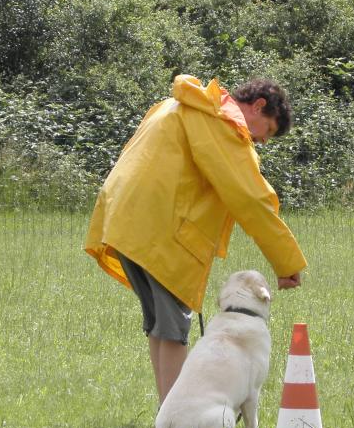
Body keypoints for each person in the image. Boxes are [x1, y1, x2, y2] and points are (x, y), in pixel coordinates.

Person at [85, 74, 308, 404]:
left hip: (125, 221)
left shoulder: (177, 105)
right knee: (174, 327)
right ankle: (178, 422)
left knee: (160, 325)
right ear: (258, 106)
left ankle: (167, 416)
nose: (261, 142)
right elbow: (249, 198)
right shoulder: (220, 124)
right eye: (268, 131)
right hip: (161, 230)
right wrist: (286, 261)